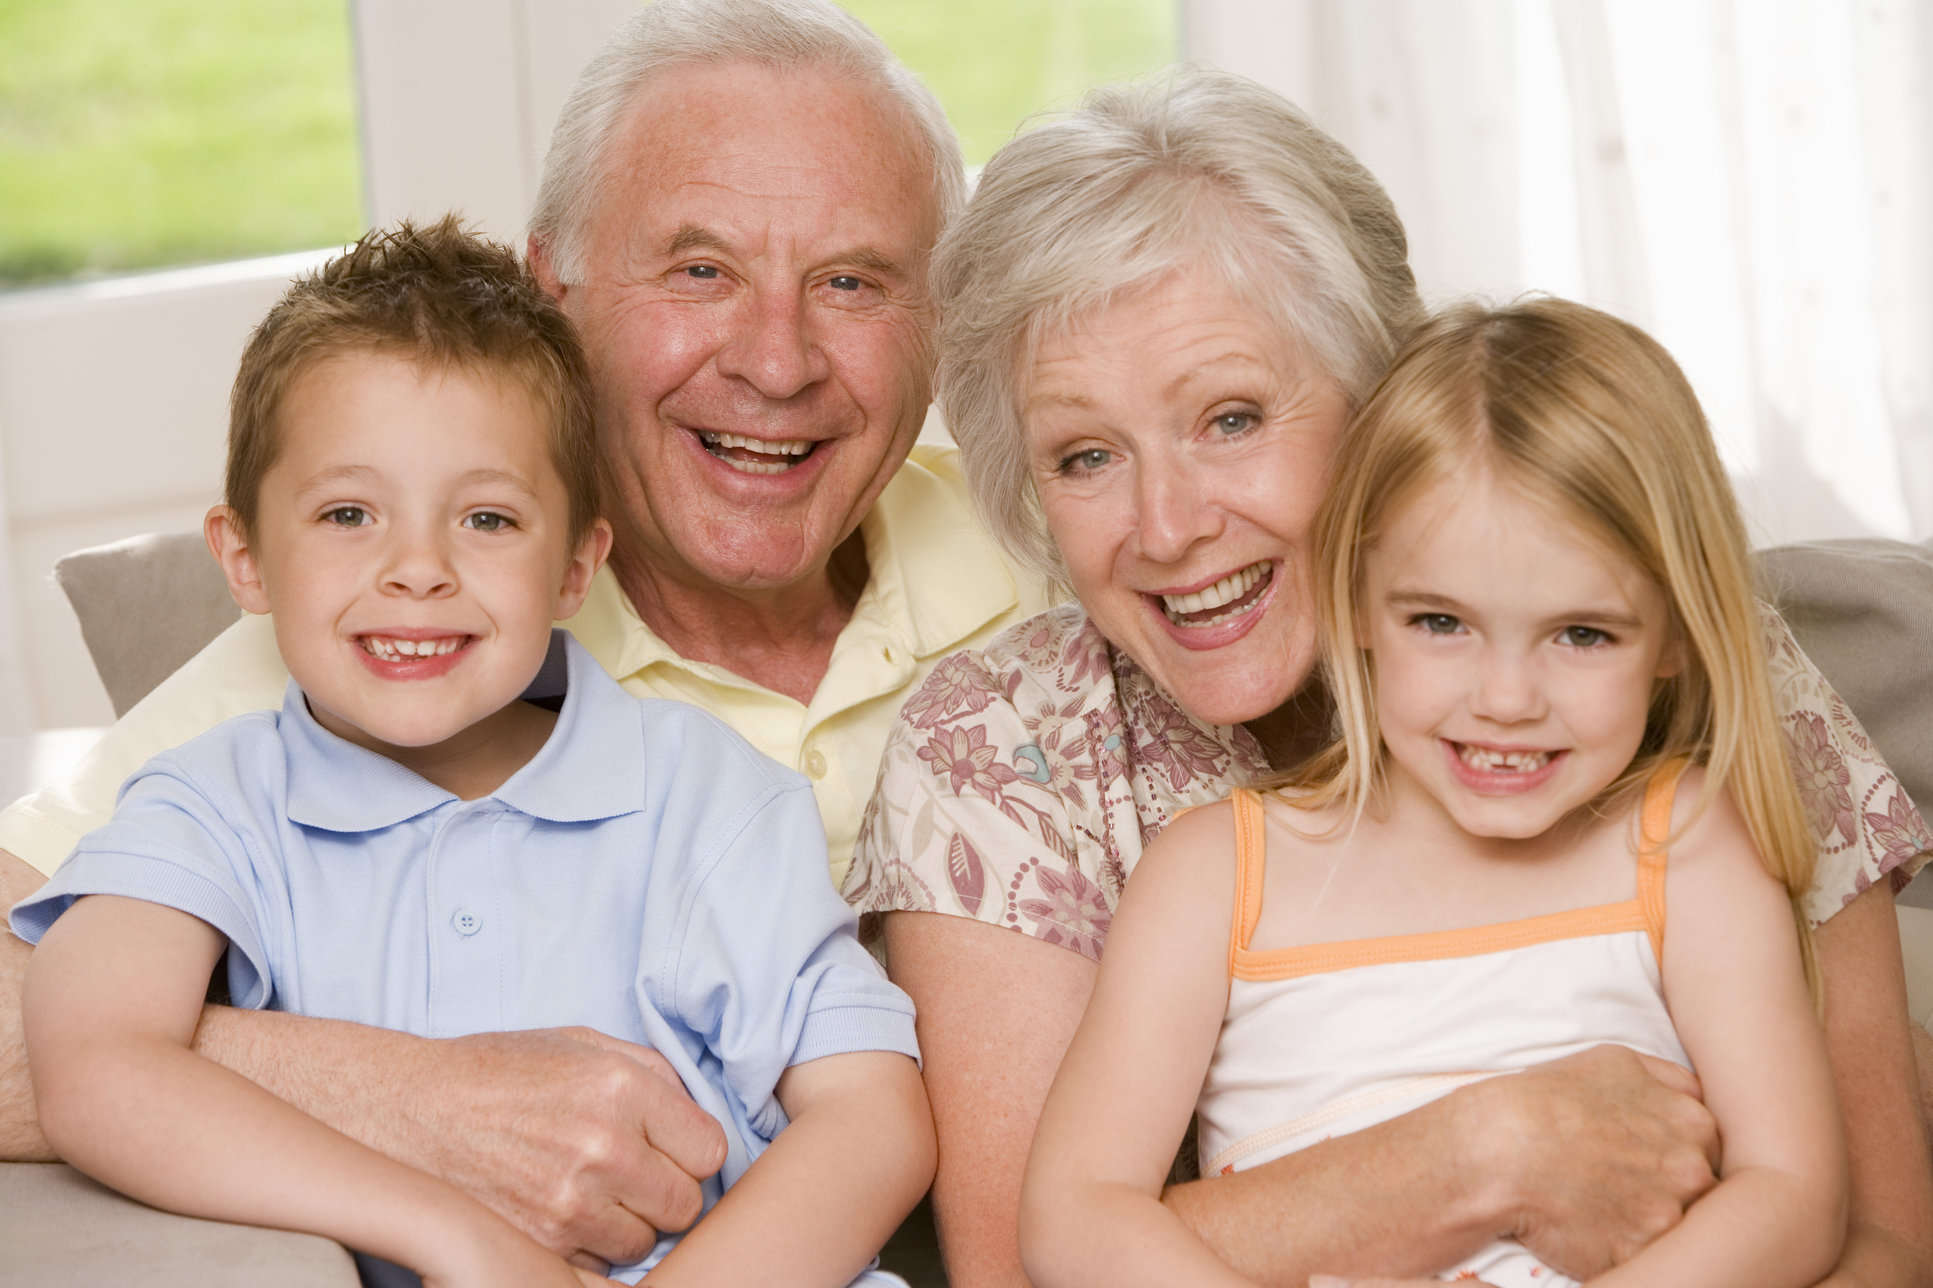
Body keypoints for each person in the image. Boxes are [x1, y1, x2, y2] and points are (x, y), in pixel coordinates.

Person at [0, 0, 1046, 1267]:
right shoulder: (353, 661)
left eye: (850, 282)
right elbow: (56, 1029)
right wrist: (408, 1100)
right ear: (558, 295)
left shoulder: (1075, 545)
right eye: (700, 268)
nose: (778, 362)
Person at [848, 68, 1933, 1287]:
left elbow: (1873, 1236)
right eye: (1085, 454)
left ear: (1382, 402)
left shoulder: (1675, 664)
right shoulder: (1013, 757)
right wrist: (1487, 1151)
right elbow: (1028, 1269)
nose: (1163, 526)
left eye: (1232, 417)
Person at [1019, 298, 1847, 1288]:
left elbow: (1795, 1194)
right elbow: (1074, 1218)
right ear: (1355, 598)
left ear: (1673, 635)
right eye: (1440, 622)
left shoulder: (1686, 844)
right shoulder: (1213, 874)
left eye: (1582, 633)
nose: (1504, 700)